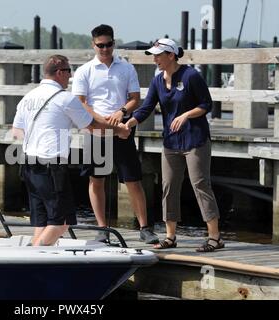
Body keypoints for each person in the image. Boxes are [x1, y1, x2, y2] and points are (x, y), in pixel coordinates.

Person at [12, 54, 130, 246]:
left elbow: (17, 131)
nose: (70, 76)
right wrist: (120, 131)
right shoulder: (65, 98)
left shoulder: (28, 97)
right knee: (62, 222)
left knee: (43, 221)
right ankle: (36, 258)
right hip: (51, 165)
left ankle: (32, 257)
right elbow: (93, 128)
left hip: (28, 163)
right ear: (60, 72)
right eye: (69, 71)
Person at [125, 38, 224, 252]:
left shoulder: (191, 76)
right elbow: (146, 107)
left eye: (158, 55)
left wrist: (186, 115)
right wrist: (130, 122)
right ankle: (170, 237)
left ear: (171, 55)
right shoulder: (157, 81)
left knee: (200, 185)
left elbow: (206, 104)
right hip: (171, 142)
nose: (155, 59)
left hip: (195, 139)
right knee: (169, 186)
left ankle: (214, 237)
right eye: (153, 55)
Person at [72, 24, 159, 244]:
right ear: (93, 44)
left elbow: (134, 98)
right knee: (96, 180)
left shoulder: (126, 68)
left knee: (133, 180)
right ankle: (102, 228)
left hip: (123, 129)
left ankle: (145, 228)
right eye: (100, 45)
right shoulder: (85, 71)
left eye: (108, 44)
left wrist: (120, 113)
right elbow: (81, 104)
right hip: (96, 131)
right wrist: (103, 121)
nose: (105, 49)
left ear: (114, 43)